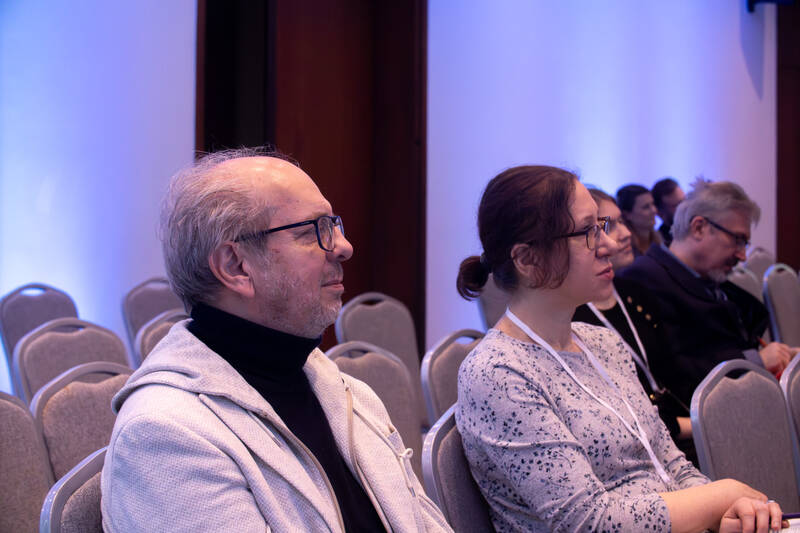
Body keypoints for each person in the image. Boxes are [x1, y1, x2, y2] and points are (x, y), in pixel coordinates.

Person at [101, 148, 451, 532]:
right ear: (236, 266)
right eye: (312, 231)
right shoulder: (165, 434)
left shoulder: (345, 391)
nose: (344, 246)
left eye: (333, 225)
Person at [455, 165, 783, 533]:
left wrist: (726, 512)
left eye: (602, 226)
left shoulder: (602, 343)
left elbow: (669, 464)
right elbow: (589, 522)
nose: (610, 245)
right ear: (528, 259)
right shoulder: (498, 373)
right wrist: (720, 497)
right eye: (588, 232)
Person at [619, 178, 799, 408]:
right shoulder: (643, 279)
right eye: (738, 240)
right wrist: (755, 360)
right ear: (699, 228)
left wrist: (779, 355)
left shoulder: (706, 278)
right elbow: (676, 372)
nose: (742, 255)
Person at [572, 188, 694, 462]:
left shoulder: (635, 293)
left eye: (622, 222)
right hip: (643, 445)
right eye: (606, 226)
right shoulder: (572, 319)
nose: (624, 235)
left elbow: (674, 369)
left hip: (672, 428)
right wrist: (697, 424)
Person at [617, 183, 662, 256]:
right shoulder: (625, 251)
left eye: (653, 204)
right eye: (646, 207)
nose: (654, 210)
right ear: (627, 215)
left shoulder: (660, 241)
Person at [652, 177, 685, 246]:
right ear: (659, 213)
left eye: (684, 200)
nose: (685, 207)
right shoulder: (660, 244)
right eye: (677, 205)